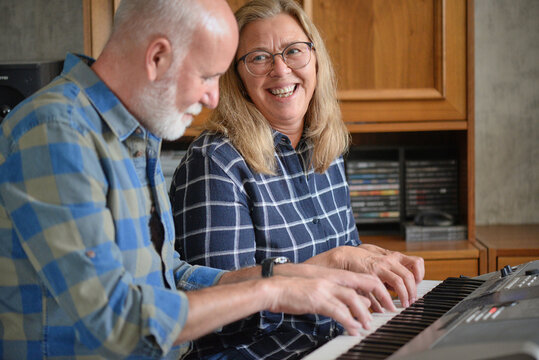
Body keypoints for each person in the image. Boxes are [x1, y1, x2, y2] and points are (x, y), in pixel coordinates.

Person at [0, 1, 398, 359]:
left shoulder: (138, 133)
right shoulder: (54, 131)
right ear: (157, 57)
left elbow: (169, 274)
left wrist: (284, 275)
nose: (213, 98)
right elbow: (116, 321)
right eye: (208, 76)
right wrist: (271, 291)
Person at [170, 0, 426, 358]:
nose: (280, 69)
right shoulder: (215, 161)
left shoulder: (327, 149)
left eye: (294, 51)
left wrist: (372, 268)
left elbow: (348, 280)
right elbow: (216, 317)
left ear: (315, 60)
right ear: (238, 78)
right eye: (259, 58)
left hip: (341, 344)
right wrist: (333, 263)